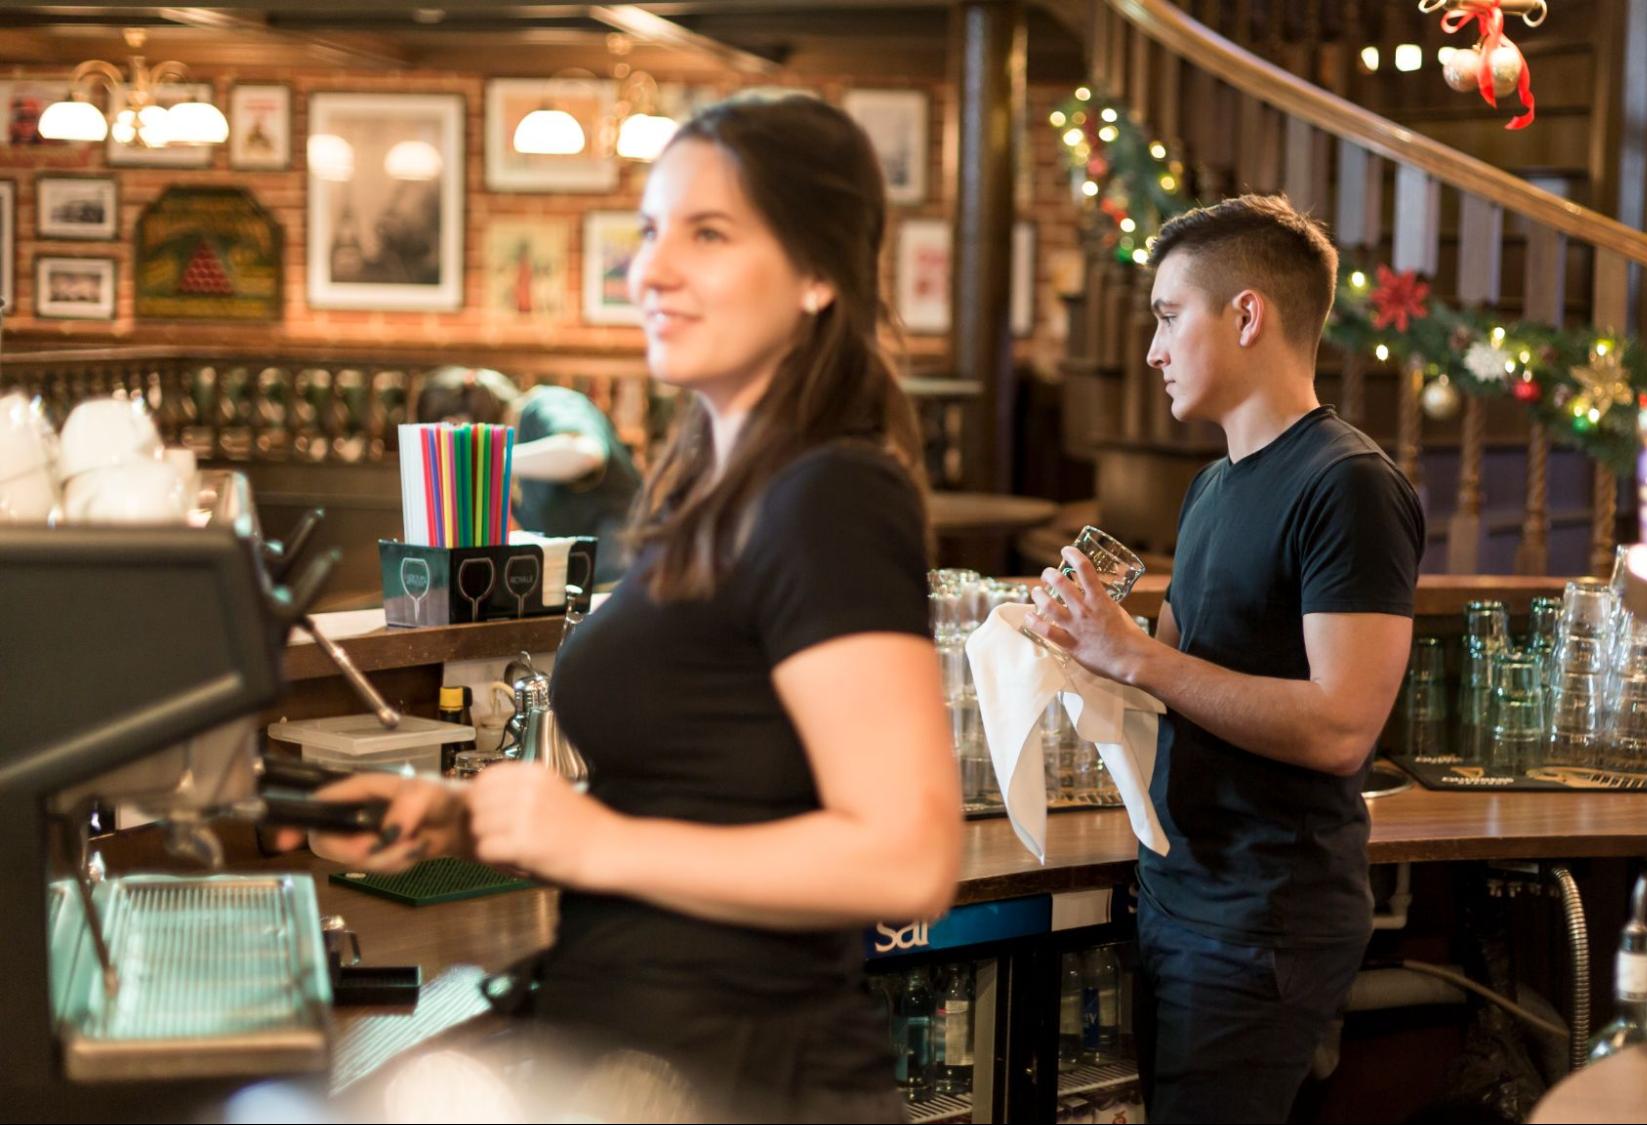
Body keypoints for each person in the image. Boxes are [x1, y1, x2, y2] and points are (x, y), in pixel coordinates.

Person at [281, 94, 962, 1122]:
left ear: (819, 275)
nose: (651, 270)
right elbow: (712, 788)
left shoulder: (829, 494)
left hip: (747, 1078)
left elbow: (907, 857)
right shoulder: (712, 491)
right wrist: (471, 816)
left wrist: (588, 841)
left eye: (709, 233)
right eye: (650, 232)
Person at [1024, 195, 1424, 1124]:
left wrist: (1134, 656)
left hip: (1265, 919)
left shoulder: (1347, 484)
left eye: (1168, 317)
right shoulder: (1211, 483)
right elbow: (1170, 671)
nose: (1154, 349)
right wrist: (1075, 644)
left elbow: (1338, 727)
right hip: (1180, 890)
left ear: (1246, 315)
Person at [416, 366, 644, 581]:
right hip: (590, 584)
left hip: (623, 576)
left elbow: (585, 454)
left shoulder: (545, 404)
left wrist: (486, 460)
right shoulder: (513, 448)